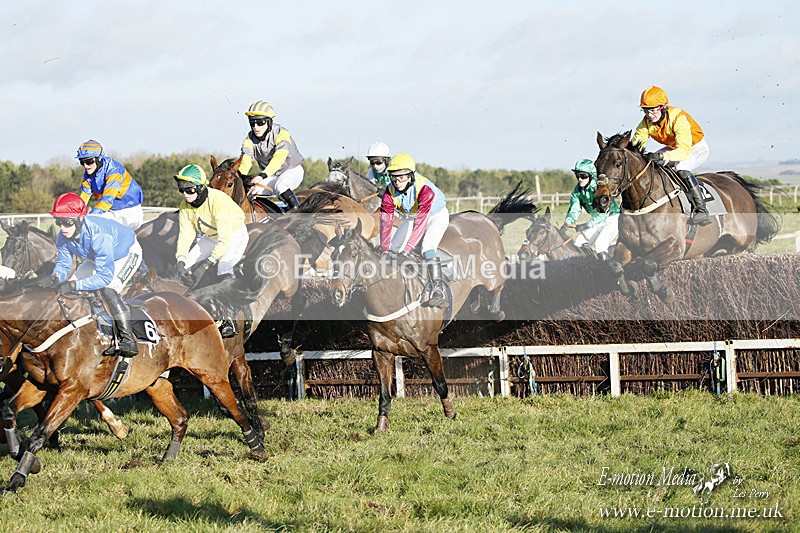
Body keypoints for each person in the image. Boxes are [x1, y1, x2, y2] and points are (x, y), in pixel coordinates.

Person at [50, 192, 143, 357]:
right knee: (69, 287)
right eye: (59, 222)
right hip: (97, 257)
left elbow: (104, 277)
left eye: (67, 222)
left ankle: (127, 339)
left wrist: (74, 284)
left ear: (80, 219)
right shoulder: (62, 236)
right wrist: (57, 277)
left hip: (125, 253)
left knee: (108, 288)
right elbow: (64, 264)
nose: (63, 228)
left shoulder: (98, 234)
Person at [174, 164, 248, 338]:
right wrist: (181, 260)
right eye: (182, 190)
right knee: (186, 266)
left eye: (190, 190)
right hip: (211, 235)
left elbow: (224, 241)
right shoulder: (185, 206)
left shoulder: (218, 201)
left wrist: (206, 264)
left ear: (201, 188)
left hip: (233, 234)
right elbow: (185, 236)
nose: (186, 195)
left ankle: (229, 318)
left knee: (223, 267)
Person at [632, 86, 711, 226]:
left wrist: (661, 157)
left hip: (696, 147)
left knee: (681, 166)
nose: (649, 114)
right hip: (674, 147)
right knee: (650, 164)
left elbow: (683, 152)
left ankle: (701, 210)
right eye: (645, 110)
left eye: (653, 109)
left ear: (663, 107)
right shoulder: (646, 123)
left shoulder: (678, 118)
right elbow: (635, 146)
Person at [380, 153, 450, 309]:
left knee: (427, 247)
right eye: (393, 177)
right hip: (414, 216)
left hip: (436, 216)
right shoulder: (388, 192)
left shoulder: (425, 189)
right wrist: (385, 250)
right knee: (392, 249)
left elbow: (421, 224)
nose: (397, 182)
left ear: (410, 175)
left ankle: (438, 290)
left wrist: (406, 251)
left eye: (401, 178)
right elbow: (386, 222)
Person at [238, 100, 305, 210]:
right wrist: (239, 177)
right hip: (271, 175)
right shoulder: (249, 139)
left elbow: (279, 158)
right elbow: (246, 159)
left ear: (269, 122)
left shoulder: (282, 133)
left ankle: (300, 216)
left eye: (260, 123)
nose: (255, 127)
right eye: (252, 123)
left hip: (291, 170)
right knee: (252, 192)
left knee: (281, 186)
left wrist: (262, 175)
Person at [76, 139, 145, 230]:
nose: (85, 166)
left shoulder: (114, 171)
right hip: (111, 211)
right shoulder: (88, 175)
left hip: (130, 213)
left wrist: (90, 217)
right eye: (82, 162)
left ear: (99, 159)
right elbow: (83, 199)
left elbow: (106, 201)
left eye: (89, 161)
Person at [561, 159, 620, 261]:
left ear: (591, 176)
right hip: (597, 221)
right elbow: (574, 209)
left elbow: (603, 215)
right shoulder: (577, 191)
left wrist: (586, 225)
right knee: (578, 242)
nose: (580, 179)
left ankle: (607, 272)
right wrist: (567, 224)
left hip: (613, 218)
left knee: (600, 245)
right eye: (577, 176)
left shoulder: (600, 188)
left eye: (583, 176)